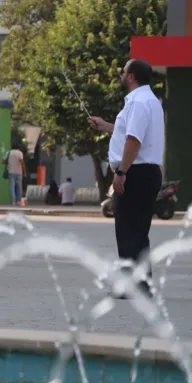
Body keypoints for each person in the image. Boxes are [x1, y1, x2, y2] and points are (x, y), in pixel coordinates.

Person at [88, 58, 164, 299]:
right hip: (144, 171)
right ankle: (141, 284)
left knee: (129, 229)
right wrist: (105, 126)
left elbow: (133, 141)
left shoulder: (140, 102)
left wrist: (121, 172)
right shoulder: (146, 101)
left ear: (131, 77)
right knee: (138, 230)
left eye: (123, 72)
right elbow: (127, 132)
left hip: (136, 172)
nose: (121, 75)